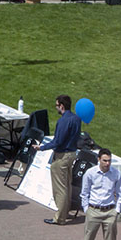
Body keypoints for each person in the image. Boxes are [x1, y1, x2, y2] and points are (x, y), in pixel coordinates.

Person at [70, 148, 121, 240]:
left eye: (109, 161)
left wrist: (116, 211)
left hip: (109, 212)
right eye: (105, 160)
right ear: (99, 160)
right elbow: (84, 193)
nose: (107, 163)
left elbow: (120, 194)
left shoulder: (116, 174)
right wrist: (87, 209)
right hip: (93, 211)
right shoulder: (90, 173)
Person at [35, 94, 82, 225]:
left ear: (61, 106)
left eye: (56, 105)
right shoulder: (76, 119)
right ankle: (64, 213)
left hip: (62, 156)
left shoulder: (63, 121)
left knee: (60, 188)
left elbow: (58, 141)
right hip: (72, 154)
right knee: (67, 185)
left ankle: (59, 217)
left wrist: (42, 147)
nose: (56, 108)